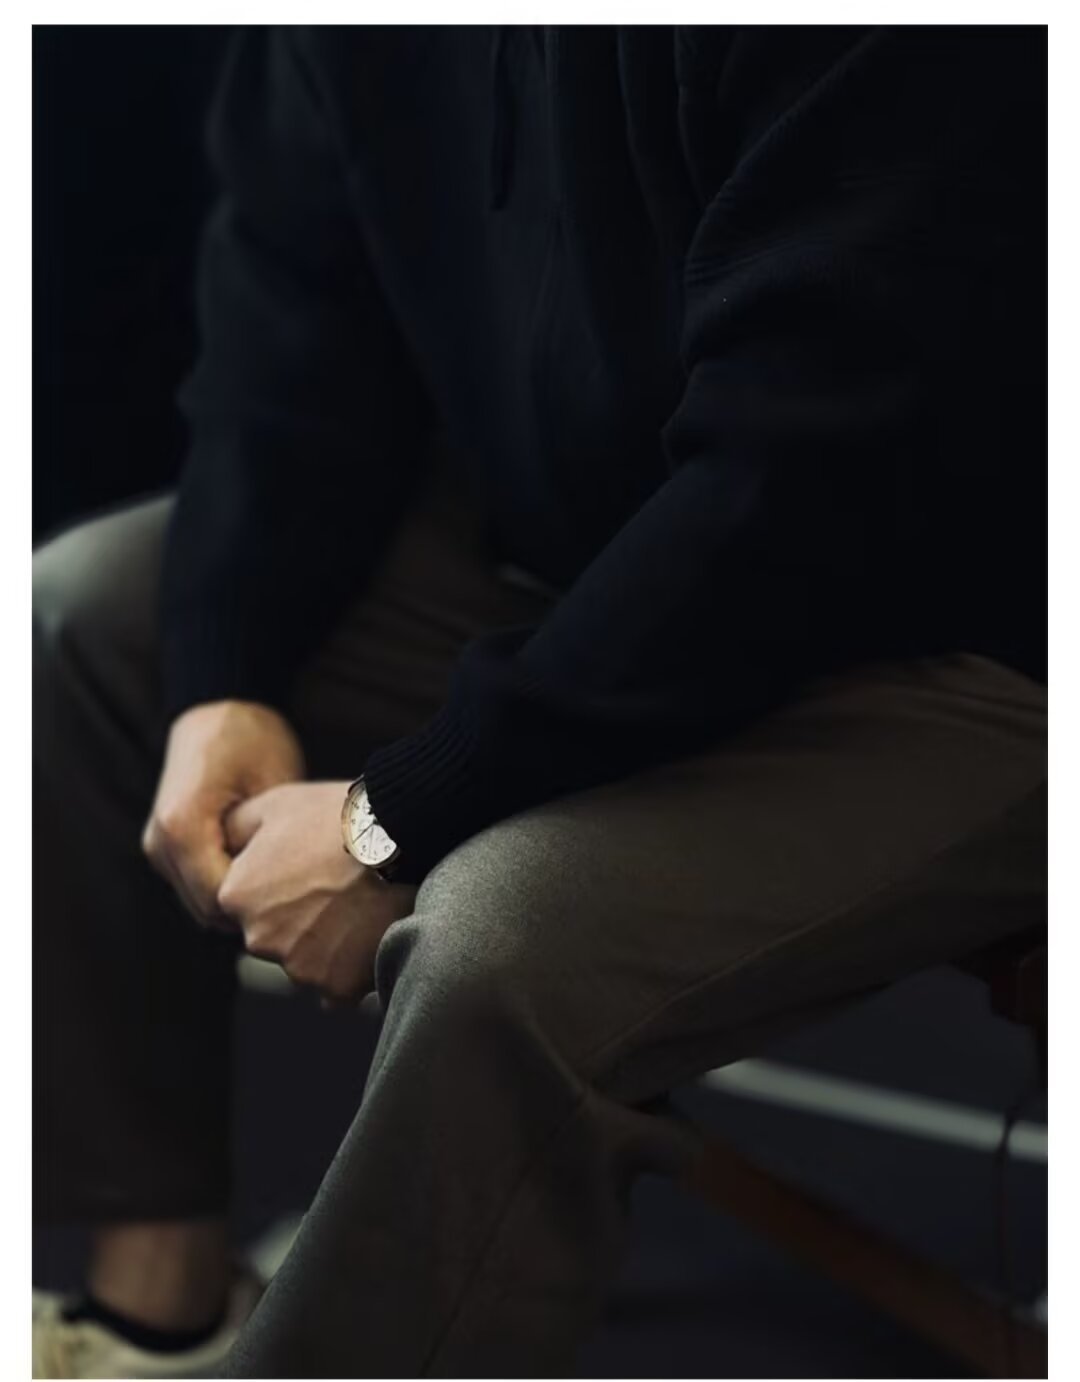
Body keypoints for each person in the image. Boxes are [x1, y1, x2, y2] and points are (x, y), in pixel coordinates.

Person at [32, 24, 1046, 1380]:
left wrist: (398, 817)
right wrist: (225, 675)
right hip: (599, 573)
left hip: (958, 652)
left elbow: (803, 494)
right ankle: (158, 1313)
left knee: (497, 937)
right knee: (85, 615)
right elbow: (295, 316)